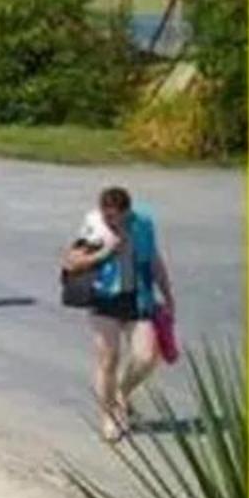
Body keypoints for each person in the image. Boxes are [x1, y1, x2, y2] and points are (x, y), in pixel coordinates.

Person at [64, 186, 175, 442]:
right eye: (106, 215)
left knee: (146, 357)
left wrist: (168, 295)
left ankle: (121, 395)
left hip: (138, 299)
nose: (110, 221)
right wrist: (104, 251)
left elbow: (154, 260)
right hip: (104, 300)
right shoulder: (94, 227)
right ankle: (108, 416)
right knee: (108, 360)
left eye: (115, 216)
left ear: (127, 212)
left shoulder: (142, 225)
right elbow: (71, 262)